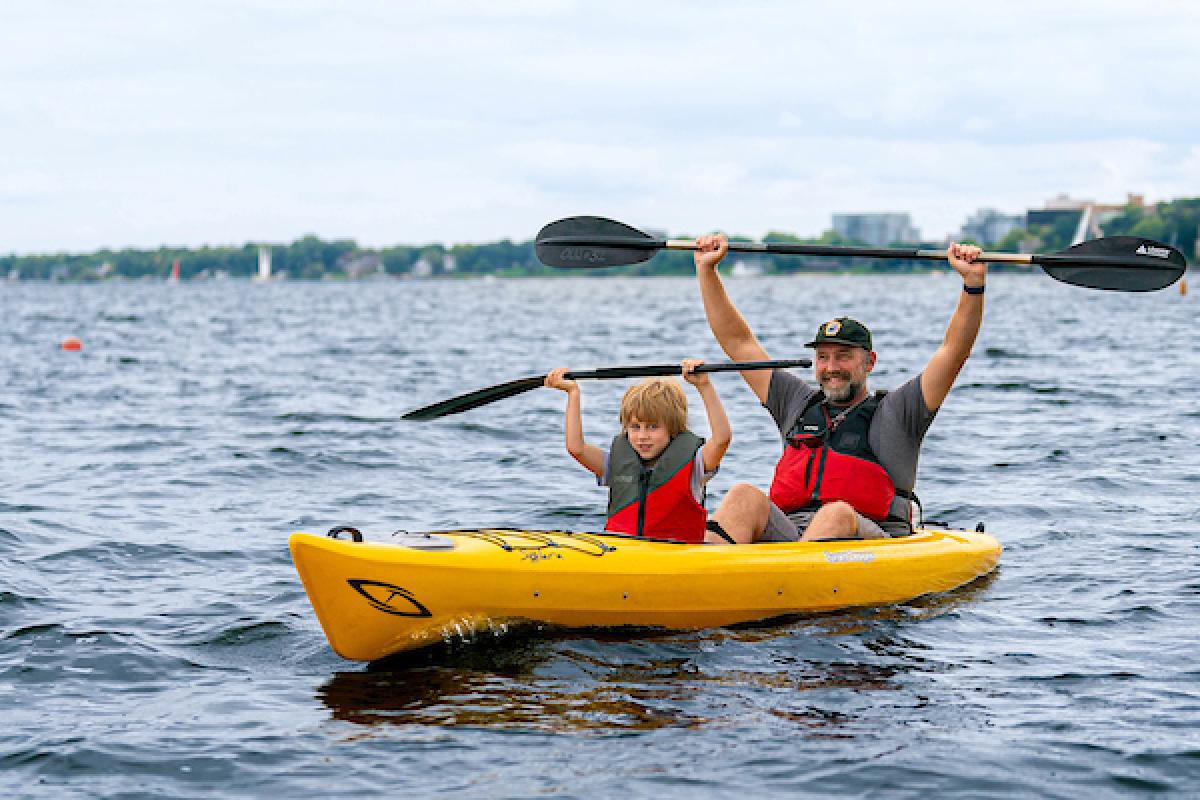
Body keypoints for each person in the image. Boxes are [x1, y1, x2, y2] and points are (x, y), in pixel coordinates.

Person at [692, 234, 986, 544]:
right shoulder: (796, 403)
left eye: (843, 356)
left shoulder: (900, 412)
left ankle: (788, 582)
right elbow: (739, 343)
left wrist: (973, 285)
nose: (831, 367)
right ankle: (706, 579)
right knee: (742, 496)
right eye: (823, 357)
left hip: (871, 539)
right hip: (792, 537)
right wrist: (706, 271)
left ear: (869, 362)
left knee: (836, 514)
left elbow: (953, 353)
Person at [544, 360, 731, 543]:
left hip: (678, 557)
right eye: (635, 427)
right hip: (626, 553)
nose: (642, 436)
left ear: (673, 428)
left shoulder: (695, 466)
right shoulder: (616, 463)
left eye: (652, 427)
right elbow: (576, 448)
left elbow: (722, 439)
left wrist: (704, 386)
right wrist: (573, 393)